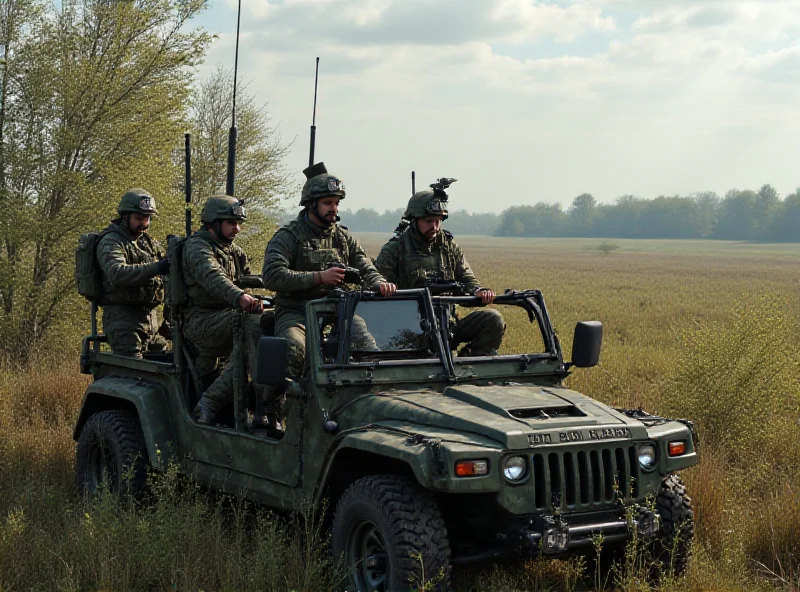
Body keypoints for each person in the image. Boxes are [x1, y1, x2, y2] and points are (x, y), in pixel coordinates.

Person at [262, 162, 396, 424]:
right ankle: (270, 410)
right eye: (327, 203)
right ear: (311, 204)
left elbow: (365, 265)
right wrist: (318, 278)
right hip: (296, 312)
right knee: (293, 349)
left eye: (336, 203)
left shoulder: (343, 238)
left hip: (337, 311)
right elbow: (272, 276)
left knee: (368, 349)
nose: (334, 209)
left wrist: (380, 282)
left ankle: (366, 408)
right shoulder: (288, 237)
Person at [375, 183, 504, 356]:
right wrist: (386, 288)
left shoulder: (448, 246)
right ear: (414, 219)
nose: (434, 227)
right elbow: (377, 289)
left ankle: (470, 366)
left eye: (438, 221)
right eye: (429, 221)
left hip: (447, 324)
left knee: (493, 320)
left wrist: (479, 290)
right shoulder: (395, 249)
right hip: (410, 330)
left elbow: (466, 276)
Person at [182, 194, 263, 425]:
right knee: (248, 323)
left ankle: (263, 408)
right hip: (198, 322)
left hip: (224, 318)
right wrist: (239, 297)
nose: (237, 228)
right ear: (213, 223)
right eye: (231, 223)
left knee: (265, 324)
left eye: (239, 223)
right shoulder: (197, 247)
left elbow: (248, 277)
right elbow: (213, 277)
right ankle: (211, 401)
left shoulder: (233, 251)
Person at [96, 189, 170, 358]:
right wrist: (157, 267)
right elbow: (117, 273)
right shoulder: (112, 241)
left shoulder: (148, 243)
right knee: (134, 375)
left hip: (151, 320)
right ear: (125, 216)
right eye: (139, 218)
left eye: (147, 218)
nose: (144, 223)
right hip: (124, 321)